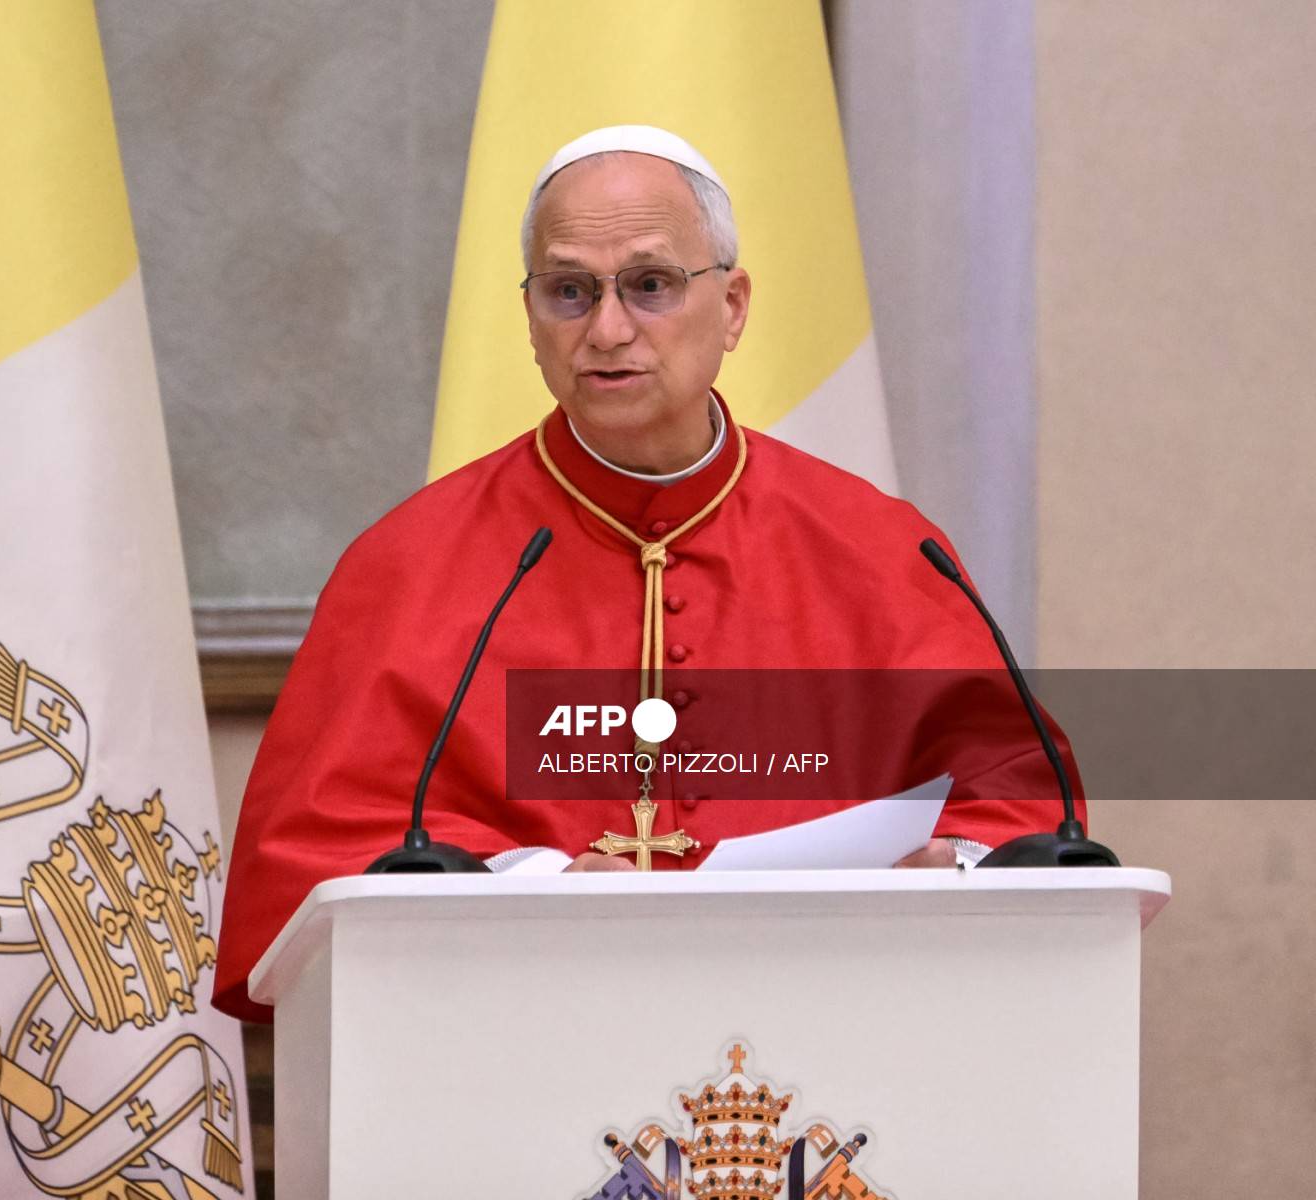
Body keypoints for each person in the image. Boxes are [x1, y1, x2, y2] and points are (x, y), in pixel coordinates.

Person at [212, 126, 1083, 1023]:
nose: (607, 330)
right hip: (512, 1030)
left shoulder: (880, 549)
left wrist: (956, 866)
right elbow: (315, 845)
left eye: (651, 284)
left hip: (824, 1025)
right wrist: (531, 883)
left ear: (733, 307)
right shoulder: (409, 563)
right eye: (569, 292)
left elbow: (1019, 799)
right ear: (530, 319)